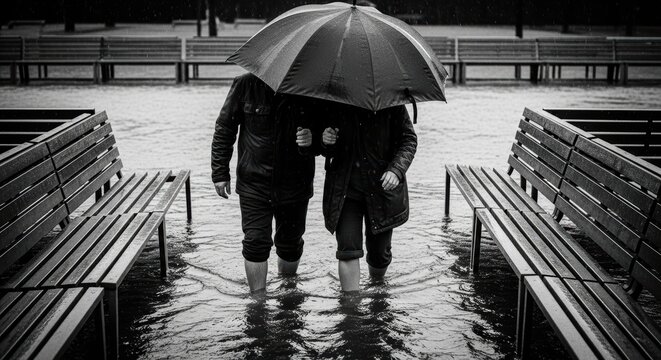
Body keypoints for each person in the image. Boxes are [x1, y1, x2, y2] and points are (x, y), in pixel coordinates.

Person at [211, 72, 315, 293]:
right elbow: (225, 128)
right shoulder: (245, 84)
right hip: (253, 182)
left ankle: (287, 289)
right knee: (255, 242)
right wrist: (220, 172)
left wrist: (312, 138)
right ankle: (257, 302)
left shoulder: (310, 87)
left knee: (290, 243)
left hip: (295, 182)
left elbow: (330, 133)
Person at [320, 102, 417, 292]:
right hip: (345, 191)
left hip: (381, 189)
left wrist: (396, 170)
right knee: (347, 250)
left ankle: (377, 288)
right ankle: (350, 310)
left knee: (379, 254)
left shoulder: (392, 102)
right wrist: (325, 141)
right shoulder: (334, 100)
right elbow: (320, 146)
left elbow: (409, 140)